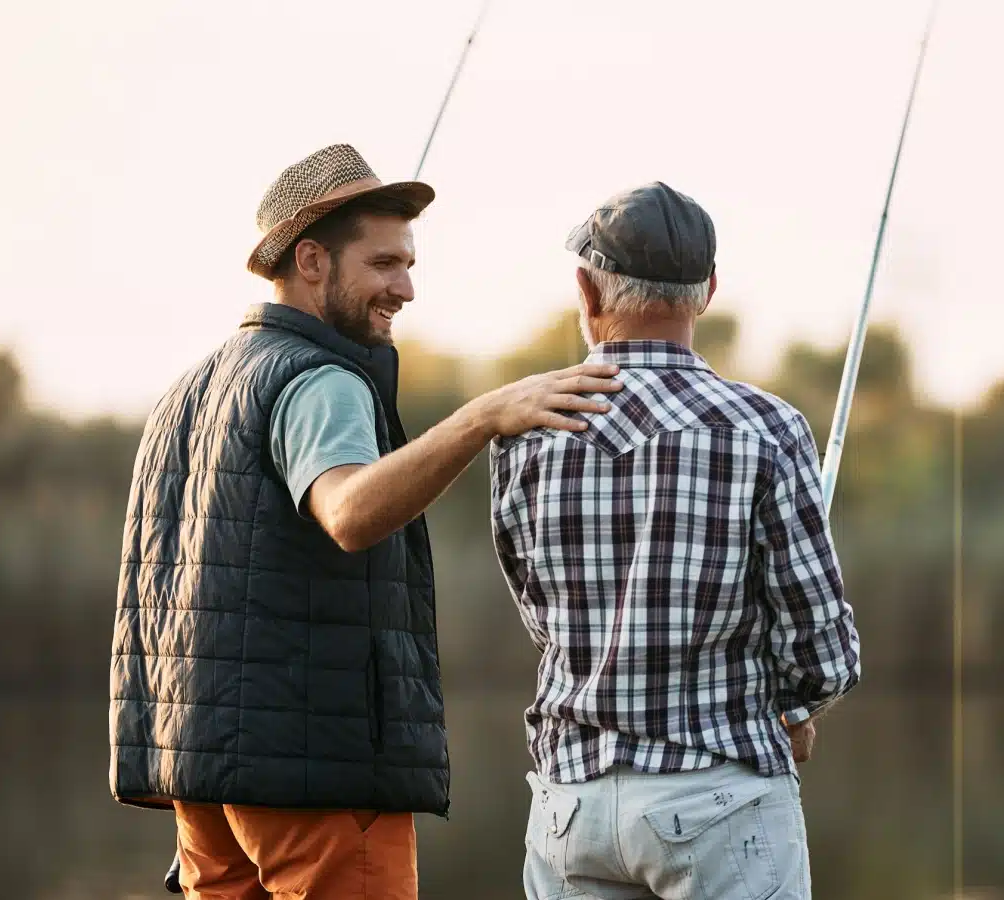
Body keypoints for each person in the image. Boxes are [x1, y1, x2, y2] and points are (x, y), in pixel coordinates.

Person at [110, 143, 623, 900]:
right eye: (384, 264)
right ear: (311, 260)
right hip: (313, 779)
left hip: (203, 783)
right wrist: (483, 418)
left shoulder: (188, 392)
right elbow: (348, 513)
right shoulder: (321, 380)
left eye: (408, 264)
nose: (406, 288)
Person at [490, 182, 862, 900]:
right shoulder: (768, 428)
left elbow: (543, 618)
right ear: (708, 292)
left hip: (573, 805)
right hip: (723, 799)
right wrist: (790, 712)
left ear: (586, 292)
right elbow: (824, 652)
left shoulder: (525, 435)